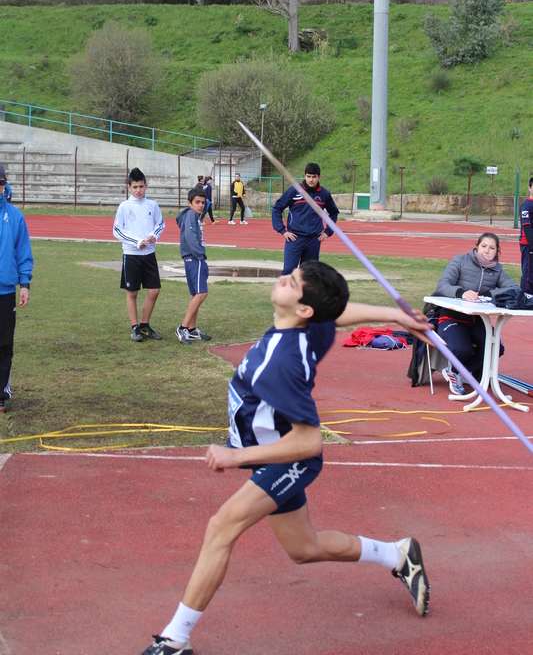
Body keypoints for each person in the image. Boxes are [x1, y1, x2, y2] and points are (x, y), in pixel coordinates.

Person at [140, 260, 431, 655]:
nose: (282, 278)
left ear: (303, 309)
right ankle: (397, 554)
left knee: (220, 527)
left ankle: (175, 639)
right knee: (304, 549)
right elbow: (338, 313)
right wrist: (397, 314)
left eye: (291, 282)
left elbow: (309, 442)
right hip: (271, 454)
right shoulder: (305, 326)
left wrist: (235, 457)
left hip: (287, 458)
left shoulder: (282, 362)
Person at [435, 232, 519, 395]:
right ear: (477, 247)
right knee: (463, 349)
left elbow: (514, 289)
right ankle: (459, 371)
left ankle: (458, 372)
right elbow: (442, 285)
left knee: (497, 348)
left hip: (479, 321)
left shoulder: (497, 270)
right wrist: (461, 293)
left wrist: (490, 294)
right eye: (483, 246)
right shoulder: (460, 260)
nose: (486, 251)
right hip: (452, 318)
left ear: (497, 252)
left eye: (492, 248)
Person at [113, 168, 165, 343]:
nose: (138, 190)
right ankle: (134, 328)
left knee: (154, 290)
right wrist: (136, 241)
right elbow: (117, 230)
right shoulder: (124, 207)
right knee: (132, 292)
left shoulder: (152, 205)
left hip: (149, 253)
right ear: (128, 187)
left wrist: (153, 236)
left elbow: (160, 223)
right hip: (132, 254)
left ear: (146, 186)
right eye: (135, 187)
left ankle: (144, 325)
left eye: (141, 186)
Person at [0, 162, 33, 412]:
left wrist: (25, 283)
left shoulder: (15, 216)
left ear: (4, 186)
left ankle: (1, 391)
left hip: (5, 290)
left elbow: (23, 252)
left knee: (4, 343)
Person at [272, 162, 339, 275]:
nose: (311, 180)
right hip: (294, 238)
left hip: (314, 240)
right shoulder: (294, 191)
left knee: (309, 274)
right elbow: (277, 208)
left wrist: (328, 232)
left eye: (314, 177)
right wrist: (282, 230)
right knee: (289, 271)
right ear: (304, 176)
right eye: (308, 176)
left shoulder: (324, 194)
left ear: (319, 177)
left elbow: (334, 213)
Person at [175, 188, 212, 345]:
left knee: (196, 293)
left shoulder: (194, 216)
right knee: (202, 293)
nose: (201, 205)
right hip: (194, 258)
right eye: (197, 202)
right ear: (189, 203)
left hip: (193, 259)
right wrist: (200, 256)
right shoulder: (190, 215)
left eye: (203, 202)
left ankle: (191, 329)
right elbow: (190, 238)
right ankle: (183, 328)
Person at [519, 177, 533, 293]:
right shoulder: (526, 206)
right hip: (528, 245)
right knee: (528, 273)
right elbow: (527, 228)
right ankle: (525, 298)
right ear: (529, 188)